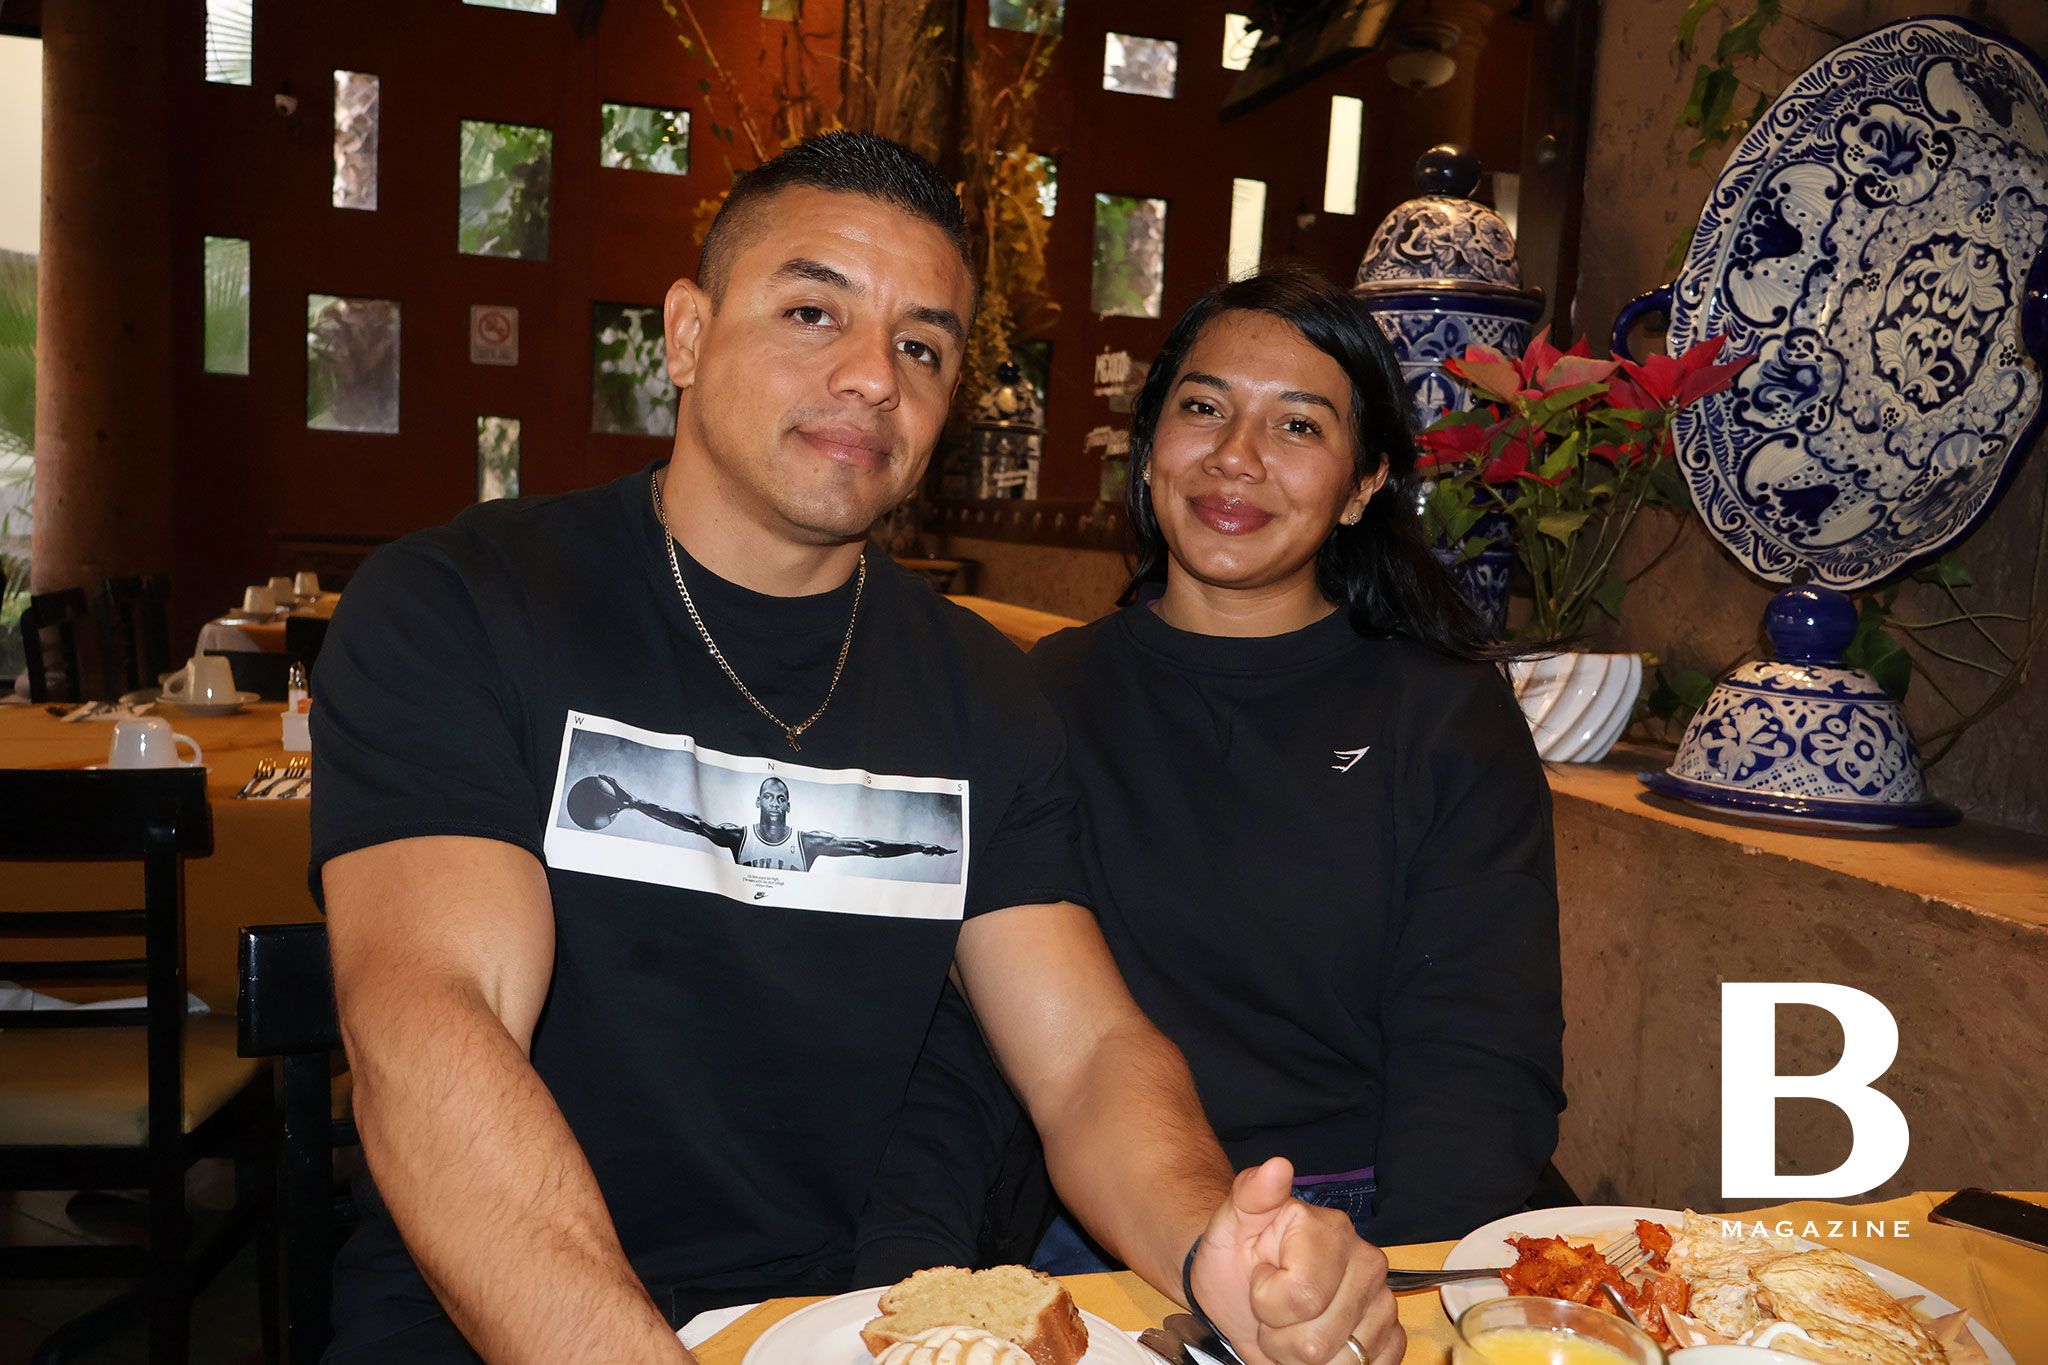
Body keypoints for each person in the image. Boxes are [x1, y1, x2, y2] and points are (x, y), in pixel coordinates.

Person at [312, 134, 1402, 1365]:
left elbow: (1087, 1058)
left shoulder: (980, 694)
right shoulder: (463, 605)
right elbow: (430, 1020)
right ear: (685, 334)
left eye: (921, 347)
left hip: (822, 1332)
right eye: (811, 311)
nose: (872, 377)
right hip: (490, 1326)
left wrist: (1218, 1248)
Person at [1019, 265, 1566, 1264]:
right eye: (1202, 408)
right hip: (1101, 1216)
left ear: (1363, 486)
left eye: (1298, 425)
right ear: (1149, 446)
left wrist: (1405, 1282)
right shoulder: (1046, 696)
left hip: (1358, 1219)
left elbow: (1478, 1053)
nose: (1234, 456)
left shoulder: (1442, 714)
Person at [565, 772, 958, 869]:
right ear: (758, 801)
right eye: (769, 796)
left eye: (781, 798)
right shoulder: (738, 837)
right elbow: (689, 822)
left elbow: (868, 848)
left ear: (789, 805)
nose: (775, 802)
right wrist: (635, 803)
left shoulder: (809, 843)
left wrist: (918, 846)